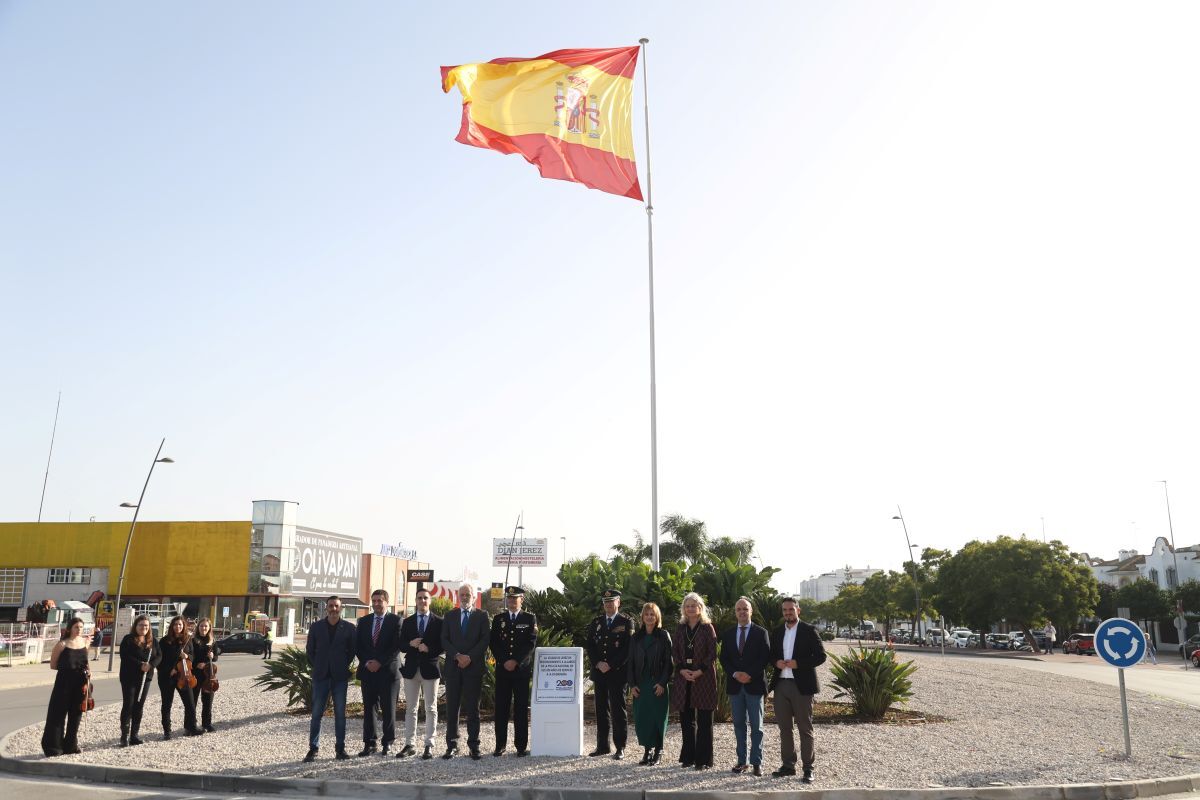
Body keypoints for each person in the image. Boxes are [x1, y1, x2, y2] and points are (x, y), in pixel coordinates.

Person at [769, 597, 827, 783]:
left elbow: (821, 656)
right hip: (781, 685)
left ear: (798, 610)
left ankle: (808, 768)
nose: (787, 613)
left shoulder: (809, 630)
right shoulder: (777, 632)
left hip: (802, 686)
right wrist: (775, 662)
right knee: (785, 728)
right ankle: (788, 765)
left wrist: (798, 663)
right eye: (785, 610)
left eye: (791, 610)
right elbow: (771, 655)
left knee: (805, 727)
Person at [719, 596, 770, 776]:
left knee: (757, 726)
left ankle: (757, 762)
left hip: (754, 685)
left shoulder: (761, 632)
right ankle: (742, 761)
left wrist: (749, 674)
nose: (742, 612)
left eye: (745, 609)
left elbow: (764, 657)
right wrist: (735, 673)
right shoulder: (729, 633)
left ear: (751, 611)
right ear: (735, 612)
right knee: (739, 725)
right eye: (739, 609)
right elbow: (723, 658)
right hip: (735, 686)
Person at [440, 583, 490, 760]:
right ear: (457, 596)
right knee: (452, 708)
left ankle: (474, 745)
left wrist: (469, 657)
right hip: (453, 668)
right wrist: (457, 655)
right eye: (461, 594)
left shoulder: (482, 616)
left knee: (473, 709)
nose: (464, 597)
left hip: (473, 668)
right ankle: (452, 745)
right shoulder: (450, 616)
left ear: (473, 597)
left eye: (467, 594)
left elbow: (485, 640)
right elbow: (444, 639)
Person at [304, 595, 356, 762]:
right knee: (317, 714)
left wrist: (339, 665)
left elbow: (352, 652)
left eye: (336, 606)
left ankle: (340, 749)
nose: (334, 609)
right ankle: (313, 748)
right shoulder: (316, 627)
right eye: (331, 606)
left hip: (339, 677)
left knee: (340, 714)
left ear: (341, 608)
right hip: (321, 677)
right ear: (326, 608)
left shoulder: (348, 628)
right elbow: (310, 651)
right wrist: (320, 665)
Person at [672, 592, 718, 770]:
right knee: (687, 720)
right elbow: (675, 651)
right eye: (687, 605)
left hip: (704, 678)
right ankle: (688, 757)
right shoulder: (681, 628)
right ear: (684, 609)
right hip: (684, 678)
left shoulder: (708, 628)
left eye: (694, 605)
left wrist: (699, 671)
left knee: (705, 721)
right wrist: (682, 669)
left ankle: (704, 760)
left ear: (700, 608)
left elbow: (712, 653)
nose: (691, 608)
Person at [490, 586, 538, 757]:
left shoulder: (530, 618)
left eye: (515, 598)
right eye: (509, 598)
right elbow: (493, 643)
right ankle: (500, 745)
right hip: (503, 670)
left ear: (521, 600)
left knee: (520, 709)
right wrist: (504, 661)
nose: (511, 601)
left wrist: (515, 661)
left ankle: (520, 746)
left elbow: (530, 643)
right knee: (501, 708)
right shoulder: (499, 619)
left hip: (520, 671)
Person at [585, 588, 632, 759]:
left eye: (612, 601)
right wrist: (598, 663)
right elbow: (590, 645)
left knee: (618, 711)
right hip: (600, 673)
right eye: (605, 602)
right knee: (601, 710)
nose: (608, 605)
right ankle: (602, 746)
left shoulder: (626, 622)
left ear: (618, 602)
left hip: (617, 673)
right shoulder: (596, 622)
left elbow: (627, 649)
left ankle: (620, 747)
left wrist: (610, 664)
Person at [398, 587, 443, 760]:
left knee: (431, 708)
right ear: (415, 601)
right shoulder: (407, 622)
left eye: (425, 598)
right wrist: (411, 644)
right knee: (411, 708)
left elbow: (443, 645)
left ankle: (429, 744)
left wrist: (429, 649)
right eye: (419, 598)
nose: (422, 601)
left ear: (430, 601)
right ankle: (410, 744)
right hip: (411, 670)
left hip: (430, 669)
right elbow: (401, 645)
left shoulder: (439, 621)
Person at [355, 589, 402, 756]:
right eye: (373, 601)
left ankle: (387, 743)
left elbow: (396, 647)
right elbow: (358, 646)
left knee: (389, 709)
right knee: (369, 709)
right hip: (368, 672)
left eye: (379, 601)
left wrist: (380, 662)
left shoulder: (396, 621)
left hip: (388, 673)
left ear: (386, 602)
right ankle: (370, 743)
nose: (376, 604)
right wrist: (368, 662)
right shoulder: (364, 621)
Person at [627, 601, 671, 766]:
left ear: (657, 616)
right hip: (641, 684)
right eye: (646, 614)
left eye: (652, 614)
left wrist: (662, 683)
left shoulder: (663, 636)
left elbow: (668, 663)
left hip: (657, 683)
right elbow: (630, 663)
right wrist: (632, 685)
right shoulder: (635, 638)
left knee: (658, 718)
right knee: (643, 718)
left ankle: (659, 750)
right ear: (642, 617)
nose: (649, 617)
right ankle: (647, 750)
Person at [42, 618, 90, 756]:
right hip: (64, 682)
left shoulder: (85, 642)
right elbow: (53, 665)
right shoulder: (62, 644)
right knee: (57, 714)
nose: (79, 630)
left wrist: (88, 674)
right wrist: (69, 669)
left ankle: (71, 745)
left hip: (80, 682)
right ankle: (54, 747)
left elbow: (86, 662)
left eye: (81, 627)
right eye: (76, 627)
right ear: (69, 628)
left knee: (76, 715)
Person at [157, 615, 202, 739]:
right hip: (167, 676)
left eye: (180, 625)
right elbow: (159, 659)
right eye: (175, 625)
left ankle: (191, 727)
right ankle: (167, 731)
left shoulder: (188, 640)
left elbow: (193, 657)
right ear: (172, 626)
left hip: (184, 675)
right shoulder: (165, 641)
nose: (178, 627)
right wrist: (168, 670)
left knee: (190, 702)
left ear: (184, 626)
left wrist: (187, 657)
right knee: (167, 703)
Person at [118, 614, 161, 746]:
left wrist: (151, 665)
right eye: (141, 625)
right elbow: (125, 656)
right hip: (129, 677)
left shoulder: (153, 641)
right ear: (135, 626)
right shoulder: (128, 639)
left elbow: (159, 656)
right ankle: (124, 736)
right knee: (129, 704)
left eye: (146, 625)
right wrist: (140, 665)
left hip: (145, 678)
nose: (144, 627)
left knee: (139, 705)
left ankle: (134, 735)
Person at [191, 617, 219, 733]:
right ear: (198, 627)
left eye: (206, 626)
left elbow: (216, 657)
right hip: (196, 674)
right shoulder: (193, 640)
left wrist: (212, 657)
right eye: (202, 626)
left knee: (208, 701)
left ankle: (207, 724)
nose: (203, 628)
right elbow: (190, 656)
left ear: (209, 628)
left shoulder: (213, 641)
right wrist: (197, 664)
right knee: (193, 701)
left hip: (209, 675)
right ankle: (191, 725)